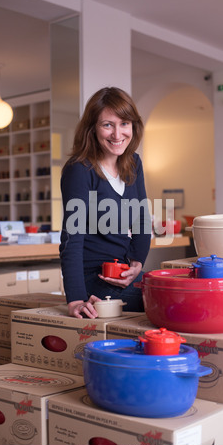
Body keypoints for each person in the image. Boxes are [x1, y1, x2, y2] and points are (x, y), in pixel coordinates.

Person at [60, 86, 151, 318]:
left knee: (169, 288)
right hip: (93, 279)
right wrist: (76, 299)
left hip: (121, 272)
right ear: (92, 129)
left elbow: (141, 217)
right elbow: (72, 238)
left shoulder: (133, 163)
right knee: (164, 300)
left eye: (124, 124)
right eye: (107, 124)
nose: (117, 134)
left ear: (133, 126)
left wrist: (137, 263)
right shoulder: (80, 170)